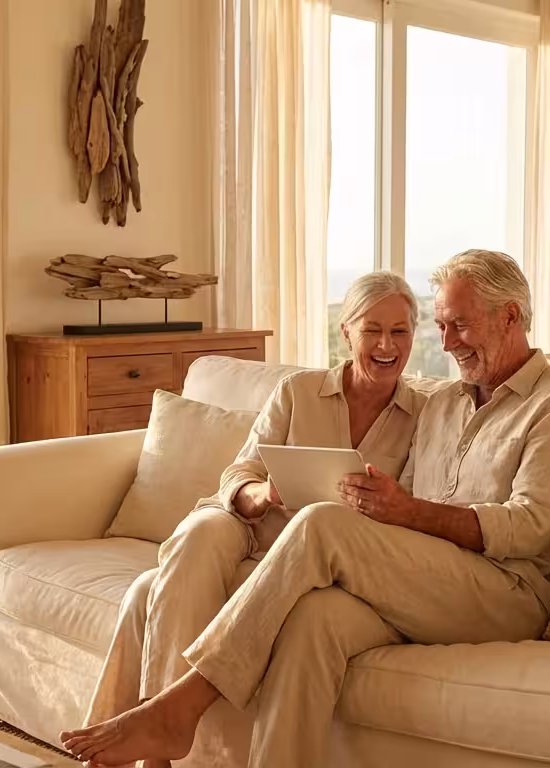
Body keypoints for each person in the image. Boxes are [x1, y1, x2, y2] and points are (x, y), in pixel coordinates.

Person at [62, 249, 550, 768]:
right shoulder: (443, 402)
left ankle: (183, 705)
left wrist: (404, 512)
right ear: (347, 332)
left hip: (506, 592)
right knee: (313, 619)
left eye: (457, 325)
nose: (446, 342)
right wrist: (385, 509)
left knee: (321, 522)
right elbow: (406, 501)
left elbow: (528, 528)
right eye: (439, 326)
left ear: (509, 316)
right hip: (427, 578)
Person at [80, 271, 427, 764]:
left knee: (146, 591)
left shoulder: (425, 415)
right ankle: (160, 737)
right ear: (346, 332)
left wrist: (386, 504)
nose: (387, 344)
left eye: (400, 331)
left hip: (318, 564)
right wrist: (258, 493)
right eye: (372, 329)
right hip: (249, 531)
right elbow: (239, 470)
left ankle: (155, 747)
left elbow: (416, 514)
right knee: (200, 533)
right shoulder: (298, 392)